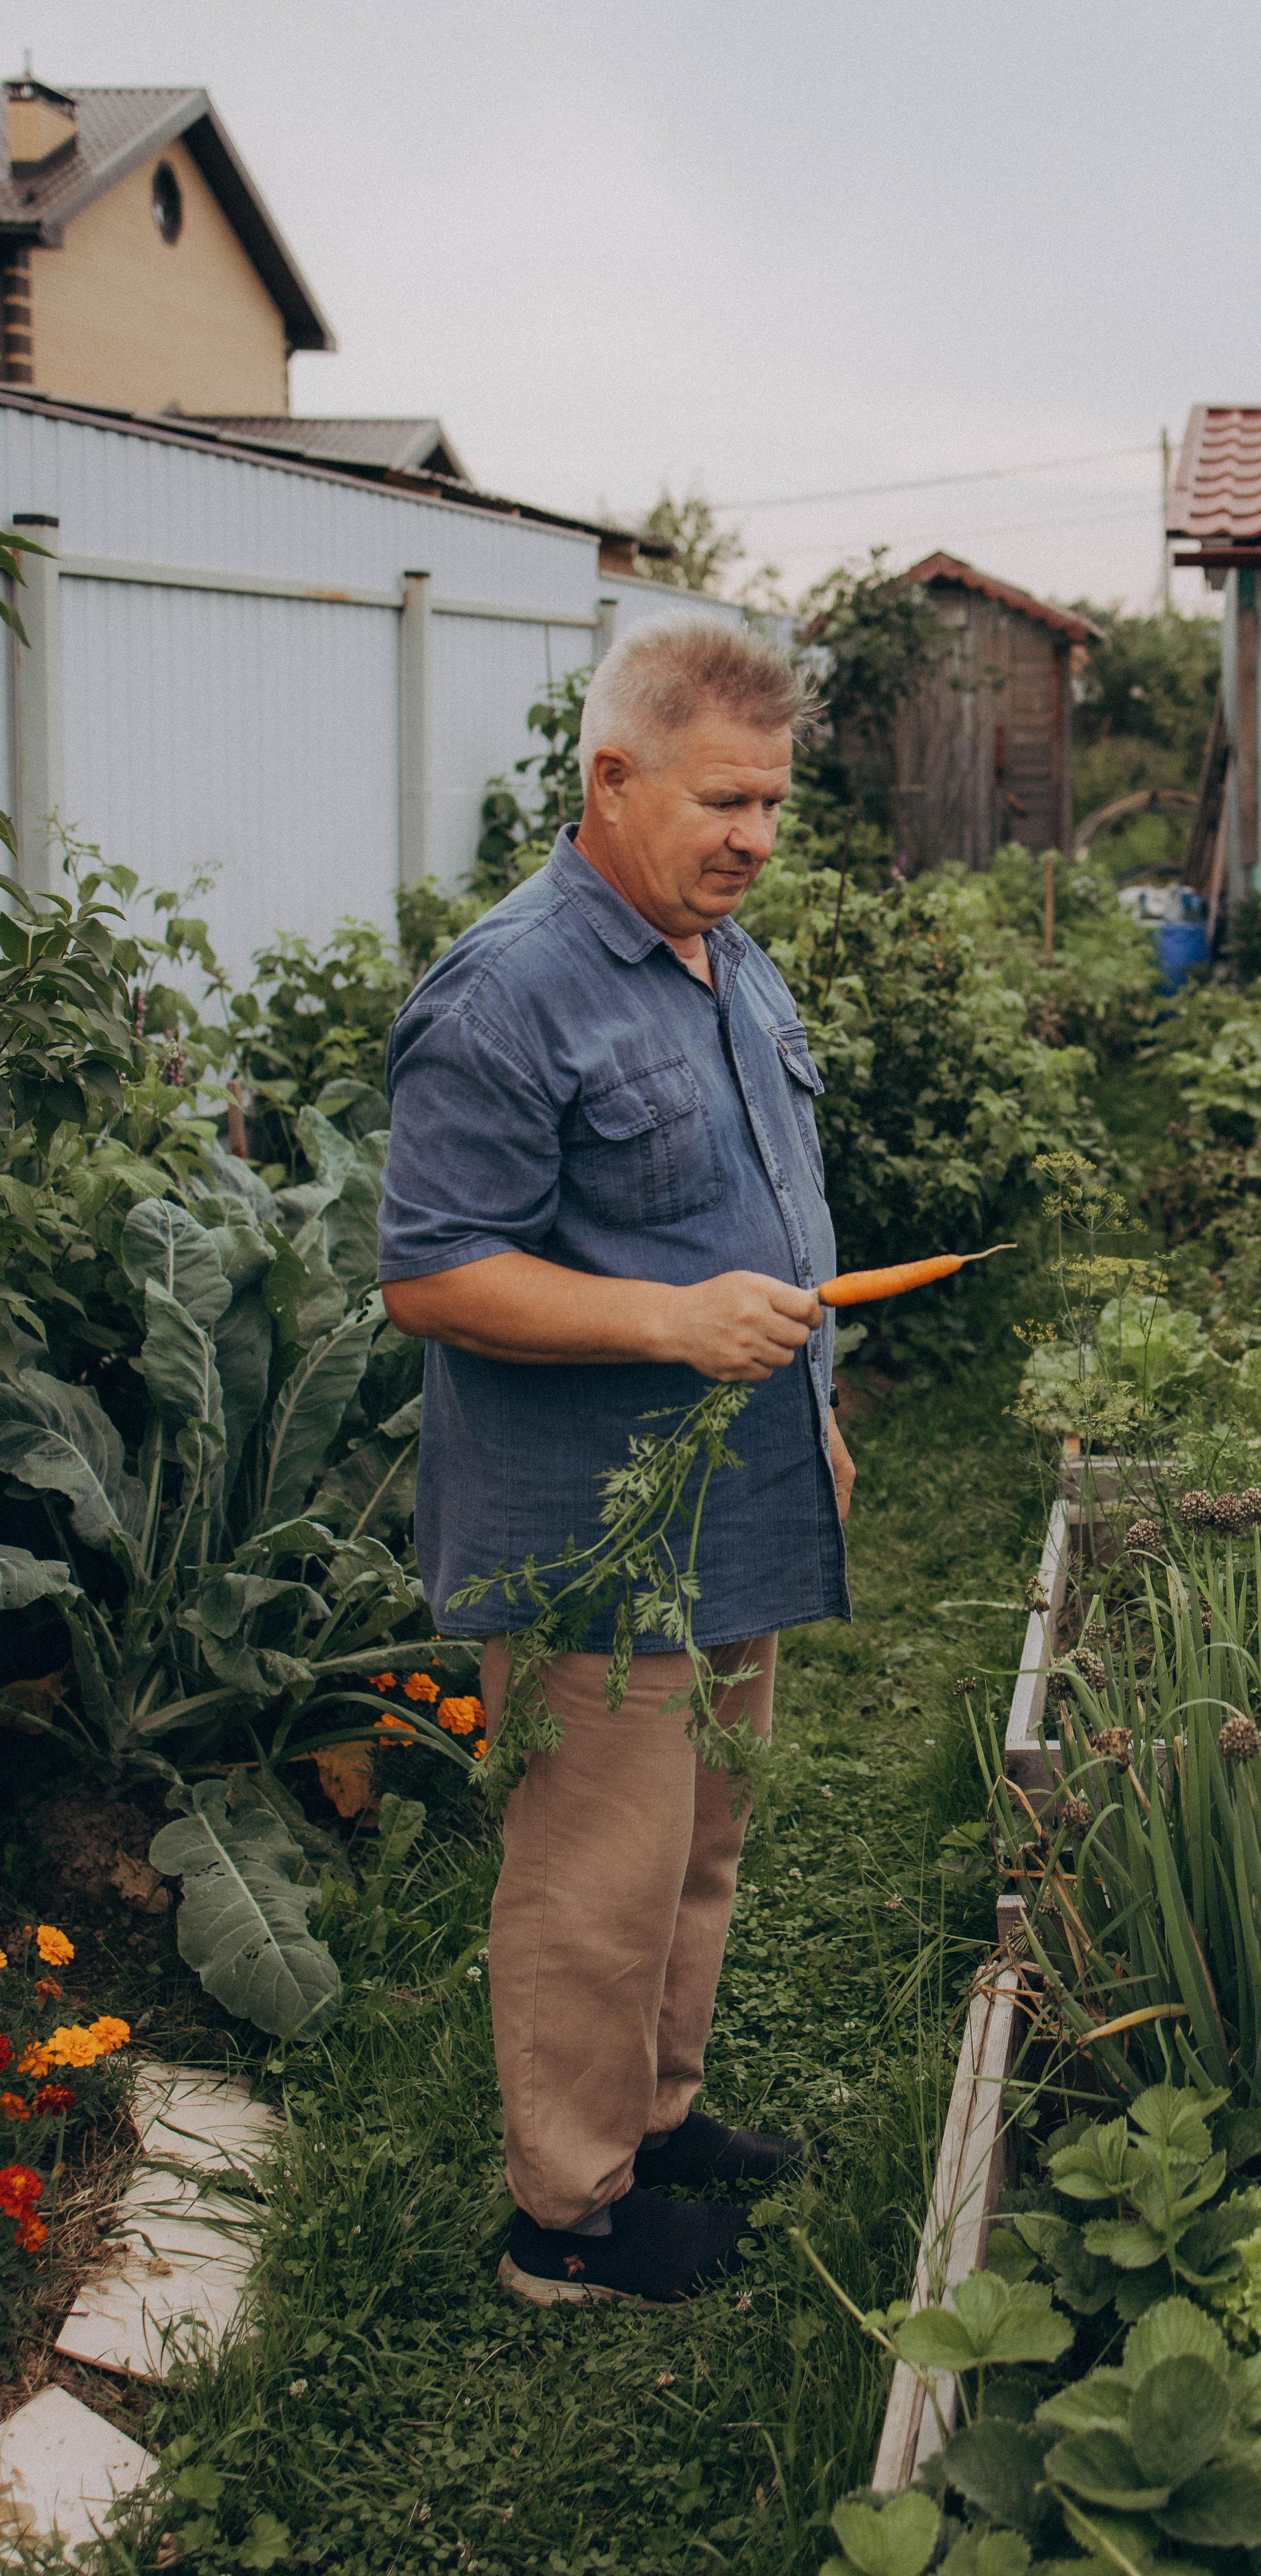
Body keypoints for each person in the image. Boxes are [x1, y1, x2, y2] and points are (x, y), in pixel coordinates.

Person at [378, 615, 855, 2307]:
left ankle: (653, 2122)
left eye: (773, 806)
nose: (754, 838)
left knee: (696, 1846)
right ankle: (563, 2223)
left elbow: (773, 1226)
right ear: (610, 775)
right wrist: (669, 1329)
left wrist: (815, 1419)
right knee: (592, 1876)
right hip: (592, 1534)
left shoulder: (725, 955)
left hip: (737, 1500)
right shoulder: (506, 992)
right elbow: (431, 1271)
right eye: (724, 800)